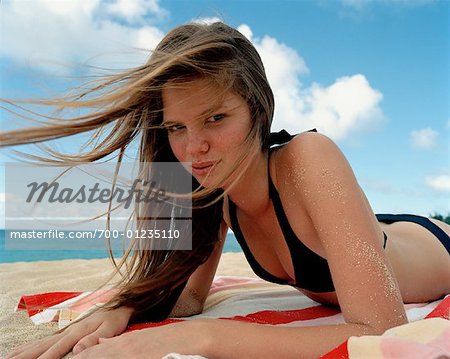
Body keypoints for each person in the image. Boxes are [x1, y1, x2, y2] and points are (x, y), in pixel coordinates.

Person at [3, 21, 450, 359]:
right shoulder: (212, 193)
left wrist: (197, 337)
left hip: (433, 243)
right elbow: (192, 298)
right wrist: (125, 311)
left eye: (215, 118)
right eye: (177, 127)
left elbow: (381, 329)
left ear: (258, 111)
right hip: (372, 231)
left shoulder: (308, 157)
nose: (194, 148)